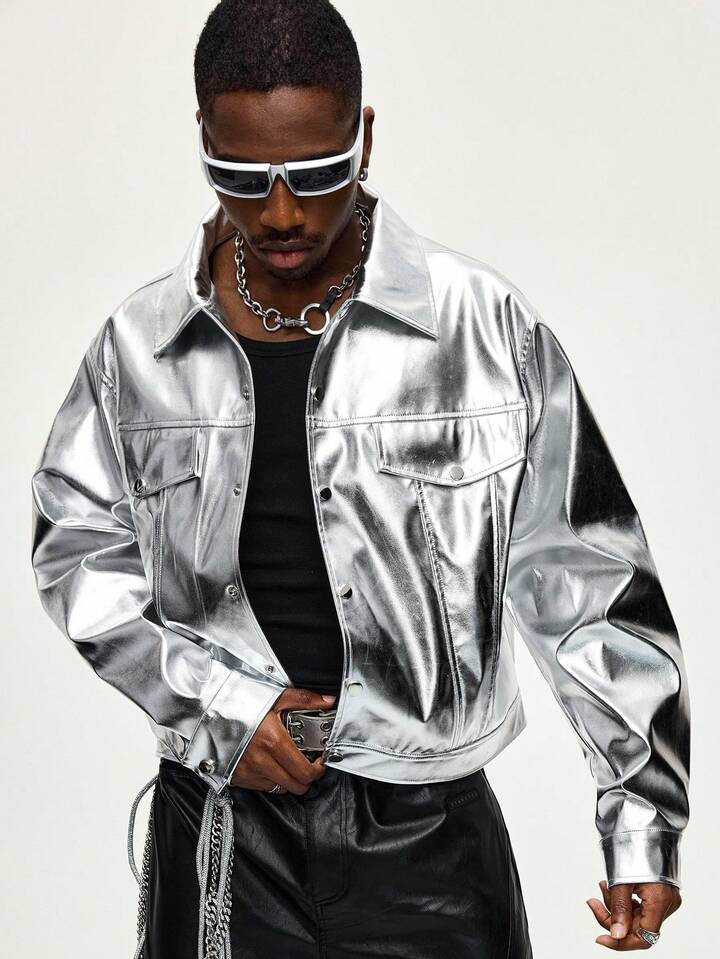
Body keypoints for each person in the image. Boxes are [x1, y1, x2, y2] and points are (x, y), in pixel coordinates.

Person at [30, 1, 690, 956]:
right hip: (222, 835)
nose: (281, 213)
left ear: (365, 137)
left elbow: (587, 580)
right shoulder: (138, 350)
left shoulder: (482, 331)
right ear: (202, 139)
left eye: (316, 173)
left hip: (430, 849)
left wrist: (641, 824)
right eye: (241, 177)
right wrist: (220, 707)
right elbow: (75, 550)